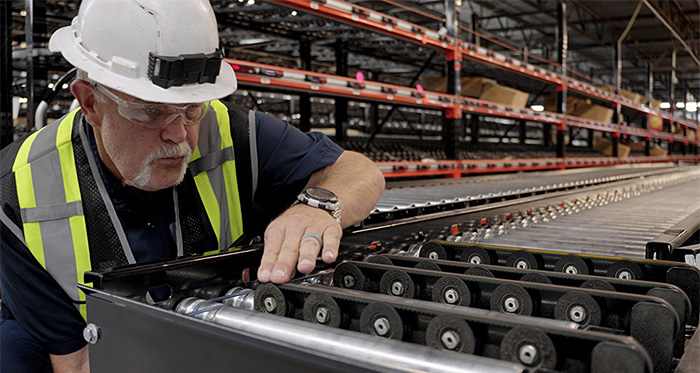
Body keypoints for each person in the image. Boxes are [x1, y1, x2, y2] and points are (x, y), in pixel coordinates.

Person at [0, 0, 384, 371]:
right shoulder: (18, 190)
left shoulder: (232, 131)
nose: (179, 134)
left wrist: (317, 206)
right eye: (150, 111)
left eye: (192, 107)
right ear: (90, 104)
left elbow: (361, 172)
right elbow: (78, 361)